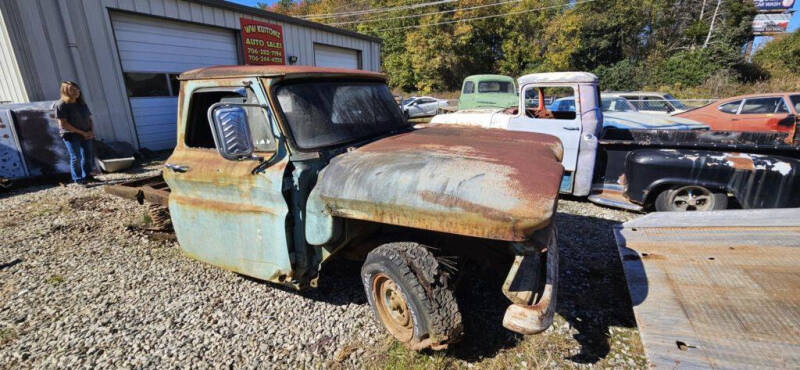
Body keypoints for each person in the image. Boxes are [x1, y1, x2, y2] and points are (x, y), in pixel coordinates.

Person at [55, 80, 96, 185]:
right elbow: (63, 124)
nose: (76, 91)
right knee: (76, 157)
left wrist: (91, 131)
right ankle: (78, 179)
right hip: (71, 135)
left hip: (86, 133)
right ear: (65, 91)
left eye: (77, 89)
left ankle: (88, 176)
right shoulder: (61, 104)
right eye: (72, 90)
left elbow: (89, 119)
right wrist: (82, 132)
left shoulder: (81, 103)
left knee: (88, 156)